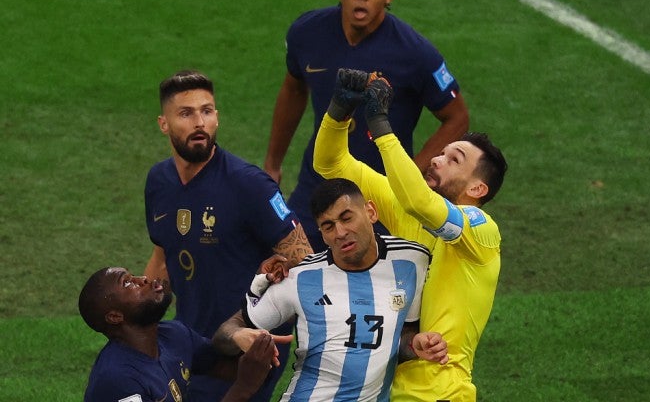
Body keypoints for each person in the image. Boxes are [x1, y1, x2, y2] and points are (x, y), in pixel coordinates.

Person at [312, 69, 508, 401]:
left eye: (453, 160)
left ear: (477, 187)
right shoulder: (409, 212)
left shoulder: (481, 231)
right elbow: (330, 165)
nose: (436, 159)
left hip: (442, 393)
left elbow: (420, 201)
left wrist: (380, 125)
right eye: (442, 152)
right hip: (388, 390)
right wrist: (339, 111)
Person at [264, 0, 470, 252]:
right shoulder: (306, 33)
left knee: (373, 294)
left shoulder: (415, 53)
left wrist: (412, 175)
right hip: (317, 185)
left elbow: (457, 117)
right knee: (291, 273)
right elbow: (294, 89)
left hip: (383, 200)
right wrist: (273, 163)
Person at [143, 70, 313, 401]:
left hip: (244, 351)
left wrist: (262, 321)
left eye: (206, 111)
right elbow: (162, 259)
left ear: (217, 117)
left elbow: (305, 261)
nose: (199, 123)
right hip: (189, 342)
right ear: (164, 124)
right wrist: (138, 327)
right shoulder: (159, 182)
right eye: (186, 113)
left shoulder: (249, 185)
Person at [213, 178, 449, 401]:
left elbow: (402, 331)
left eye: (347, 218)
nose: (340, 233)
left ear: (371, 212)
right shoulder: (301, 277)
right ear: (322, 235)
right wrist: (237, 335)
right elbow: (224, 335)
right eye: (328, 226)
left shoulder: (412, 261)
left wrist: (414, 344)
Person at [79, 266, 287, 402]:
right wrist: (244, 388)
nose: (142, 278)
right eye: (127, 283)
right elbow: (243, 379)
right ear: (115, 316)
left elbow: (228, 365)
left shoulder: (173, 335)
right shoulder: (118, 380)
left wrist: (261, 298)